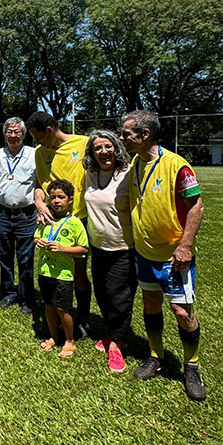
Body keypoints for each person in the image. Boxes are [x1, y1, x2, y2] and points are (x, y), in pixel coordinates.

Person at [121, 110, 207, 401]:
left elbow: (196, 206)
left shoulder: (176, 165)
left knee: (182, 312)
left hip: (173, 256)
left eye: (127, 134)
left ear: (145, 135)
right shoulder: (136, 163)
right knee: (150, 304)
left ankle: (191, 367)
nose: (122, 138)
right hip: (145, 254)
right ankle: (155, 356)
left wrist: (185, 246)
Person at [27, 112, 92, 338]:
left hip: (79, 218)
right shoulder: (40, 152)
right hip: (51, 220)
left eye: (39, 137)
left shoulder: (83, 144)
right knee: (54, 267)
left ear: (49, 131)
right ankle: (58, 313)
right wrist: (38, 202)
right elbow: (40, 183)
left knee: (79, 272)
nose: (38, 143)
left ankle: (82, 318)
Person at [82, 130, 136, 373]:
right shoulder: (90, 173)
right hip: (98, 246)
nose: (104, 152)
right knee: (103, 294)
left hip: (123, 246)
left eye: (108, 147)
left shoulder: (128, 173)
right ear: (92, 153)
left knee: (119, 296)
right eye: (98, 148)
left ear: (116, 148)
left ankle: (117, 343)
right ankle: (114, 333)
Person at [34, 179, 89, 358]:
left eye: (61, 197)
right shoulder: (46, 219)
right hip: (44, 271)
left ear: (70, 200)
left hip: (63, 274)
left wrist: (63, 249)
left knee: (62, 309)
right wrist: (38, 241)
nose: (56, 201)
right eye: (53, 197)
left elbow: (84, 249)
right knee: (49, 306)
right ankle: (54, 336)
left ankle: (69, 340)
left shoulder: (75, 223)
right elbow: (35, 237)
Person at [0, 117, 37, 316]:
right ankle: (9, 293)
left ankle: (26, 297)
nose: (13, 135)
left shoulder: (34, 155)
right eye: (9, 131)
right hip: (2, 213)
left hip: (26, 214)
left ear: (23, 135)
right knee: (4, 256)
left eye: (17, 132)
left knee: (26, 258)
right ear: (4, 134)